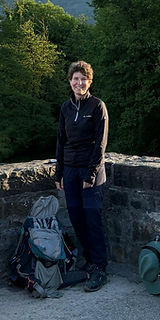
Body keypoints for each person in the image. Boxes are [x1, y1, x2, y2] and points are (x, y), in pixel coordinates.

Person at [54, 60, 110, 292]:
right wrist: (59, 173)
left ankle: (100, 267)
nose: (79, 83)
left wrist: (91, 172)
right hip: (70, 170)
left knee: (92, 220)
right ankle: (88, 261)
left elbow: (100, 143)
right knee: (77, 219)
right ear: (70, 82)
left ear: (90, 81)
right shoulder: (66, 108)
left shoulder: (97, 106)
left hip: (90, 173)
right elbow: (61, 140)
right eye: (75, 79)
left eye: (83, 79)